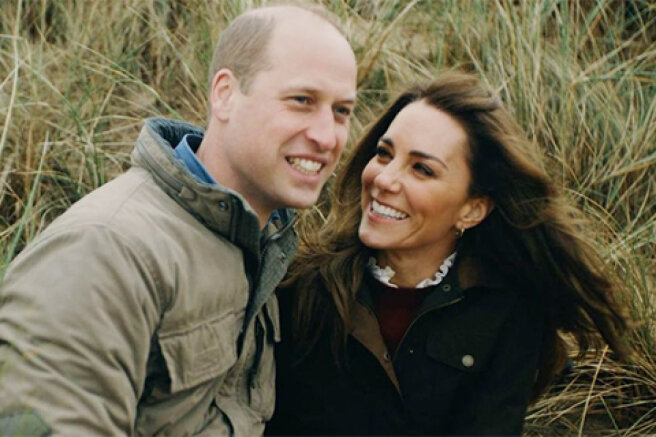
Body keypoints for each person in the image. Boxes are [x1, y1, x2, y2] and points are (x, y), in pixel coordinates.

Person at [0, 3, 357, 436]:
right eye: (301, 101)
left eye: (342, 111)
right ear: (224, 93)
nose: (326, 136)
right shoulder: (106, 250)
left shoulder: (261, 243)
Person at [267, 72, 630, 436]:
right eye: (384, 153)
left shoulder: (509, 316)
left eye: (422, 169)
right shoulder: (299, 287)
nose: (384, 179)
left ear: (472, 210)